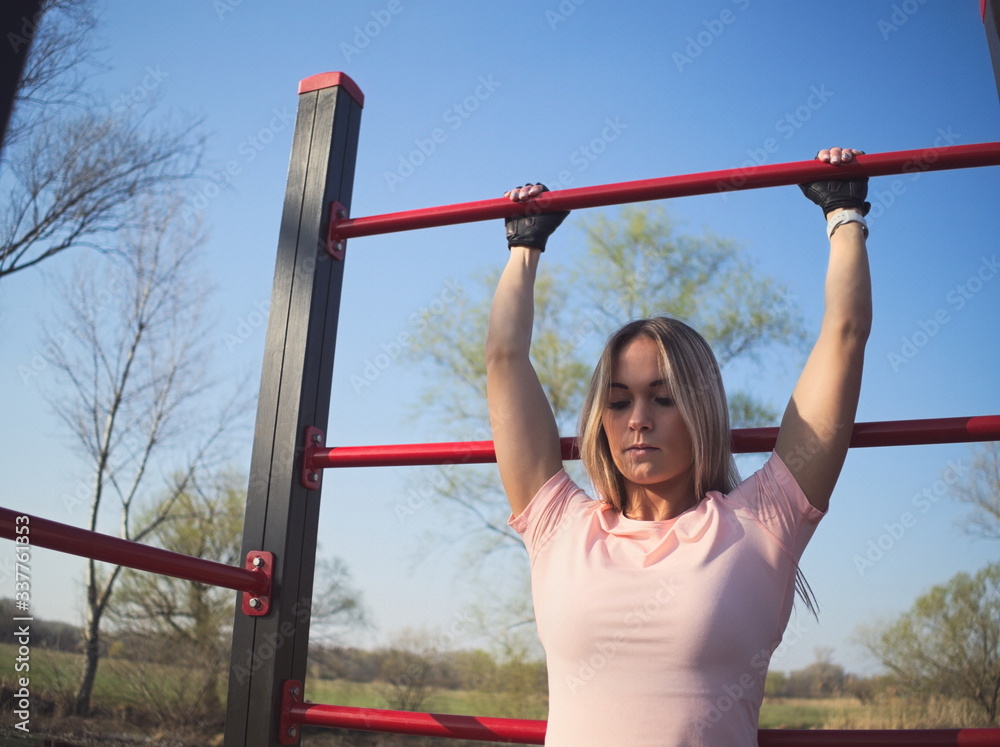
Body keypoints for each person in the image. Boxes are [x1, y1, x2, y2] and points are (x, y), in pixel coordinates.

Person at [484, 147, 872, 746]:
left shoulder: (763, 521)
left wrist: (843, 211)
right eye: (618, 401)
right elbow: (505, 359)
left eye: (664, 398)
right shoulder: (559, 526)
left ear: (702, 410)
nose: (637, 420)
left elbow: (843, 336)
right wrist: (523, 245)